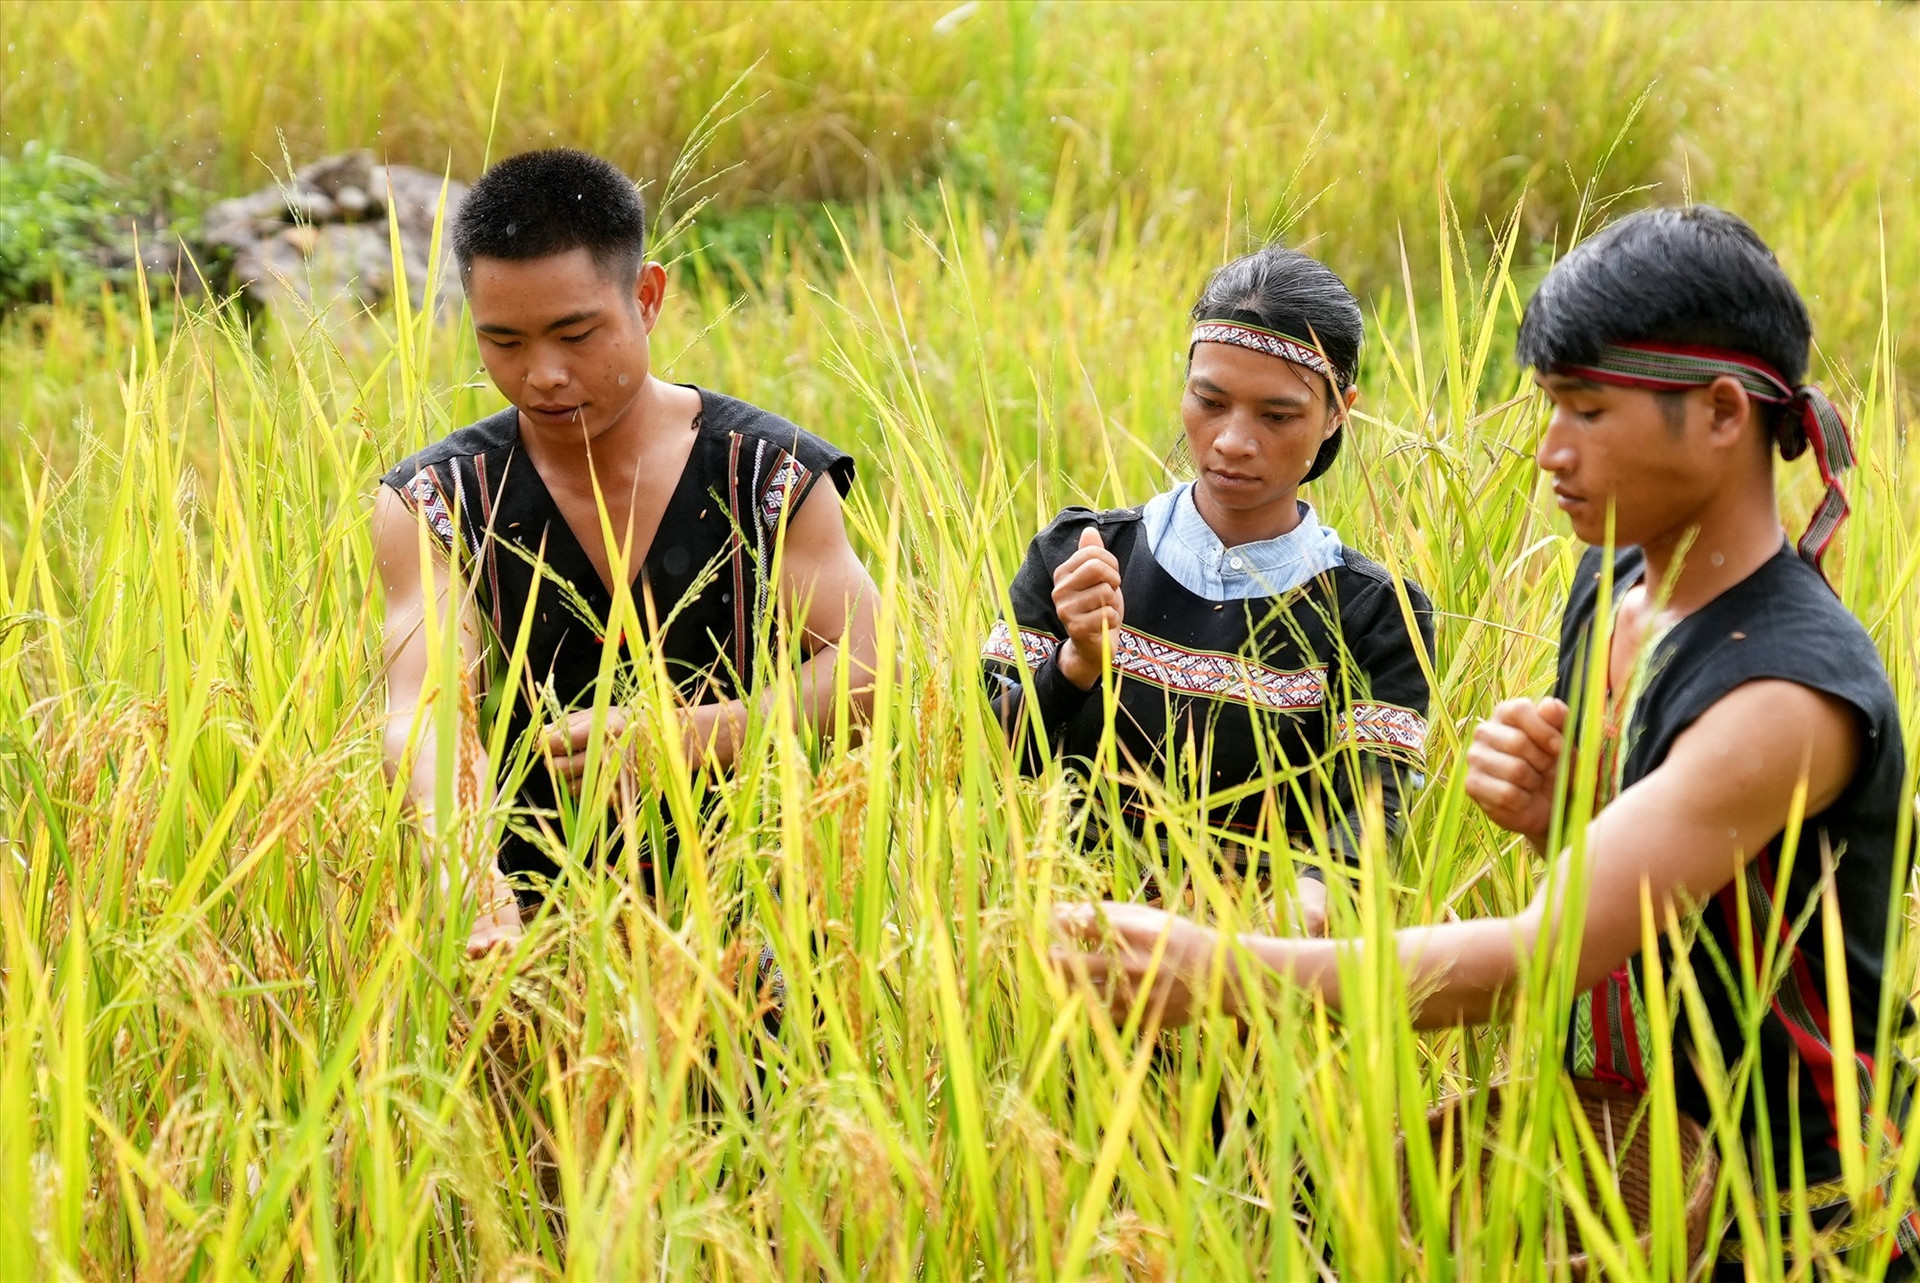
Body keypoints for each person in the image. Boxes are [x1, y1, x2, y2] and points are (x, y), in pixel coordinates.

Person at [1051, 206, 1917, 1272]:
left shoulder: (1784, 697)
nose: (1550, 452)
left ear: (1725, 414)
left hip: (1785, 1206)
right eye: (1553, 407)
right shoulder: (1619, 577)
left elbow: (1547, 951)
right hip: (1616, 1129)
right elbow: (1661, 893)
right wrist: (1569, 820)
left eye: (1588, 412)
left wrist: (1230, 969)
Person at [373, 149, 879, 956]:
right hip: (529, 931)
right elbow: (425, 705)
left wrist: (697, 733)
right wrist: (466, 871)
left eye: (576, 334)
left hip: (762, 924)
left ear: (646, 297)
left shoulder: (768, 473)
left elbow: (870, 669)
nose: (542, 375)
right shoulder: (440, 500)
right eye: (503, 342)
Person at [987, 245, 1435, 933]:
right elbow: (980, 753)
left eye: (1277, 416)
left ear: (1339, 412)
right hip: (1069, 955)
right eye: (1211, 400)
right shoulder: (1082, 556)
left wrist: (1307, 905)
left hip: (1254, 978)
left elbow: (1372, 807)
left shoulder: (1374, 612)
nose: (1232, 440)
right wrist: (1075, 663)